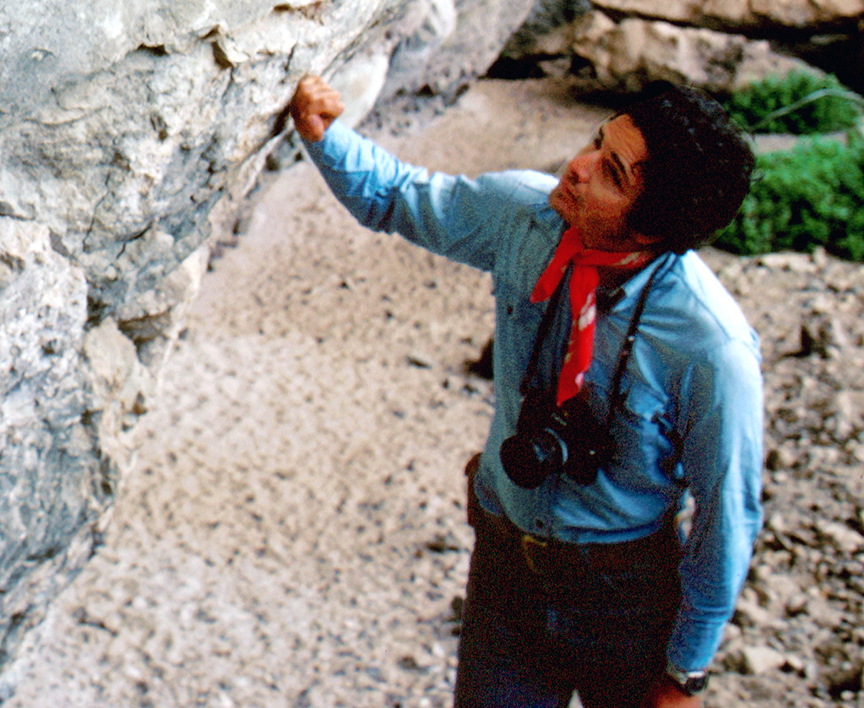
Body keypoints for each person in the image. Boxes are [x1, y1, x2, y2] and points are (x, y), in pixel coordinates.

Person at [286, 74, 763, 708]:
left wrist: (684, 674)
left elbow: (726, 514)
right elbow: (398, 197)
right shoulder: (527, 218)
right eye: (597, 141)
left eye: (612, 174)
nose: (578, 167)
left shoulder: (710, 348)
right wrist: (324, 135)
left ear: (652, 229)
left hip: (623, 597)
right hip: (507, 565)